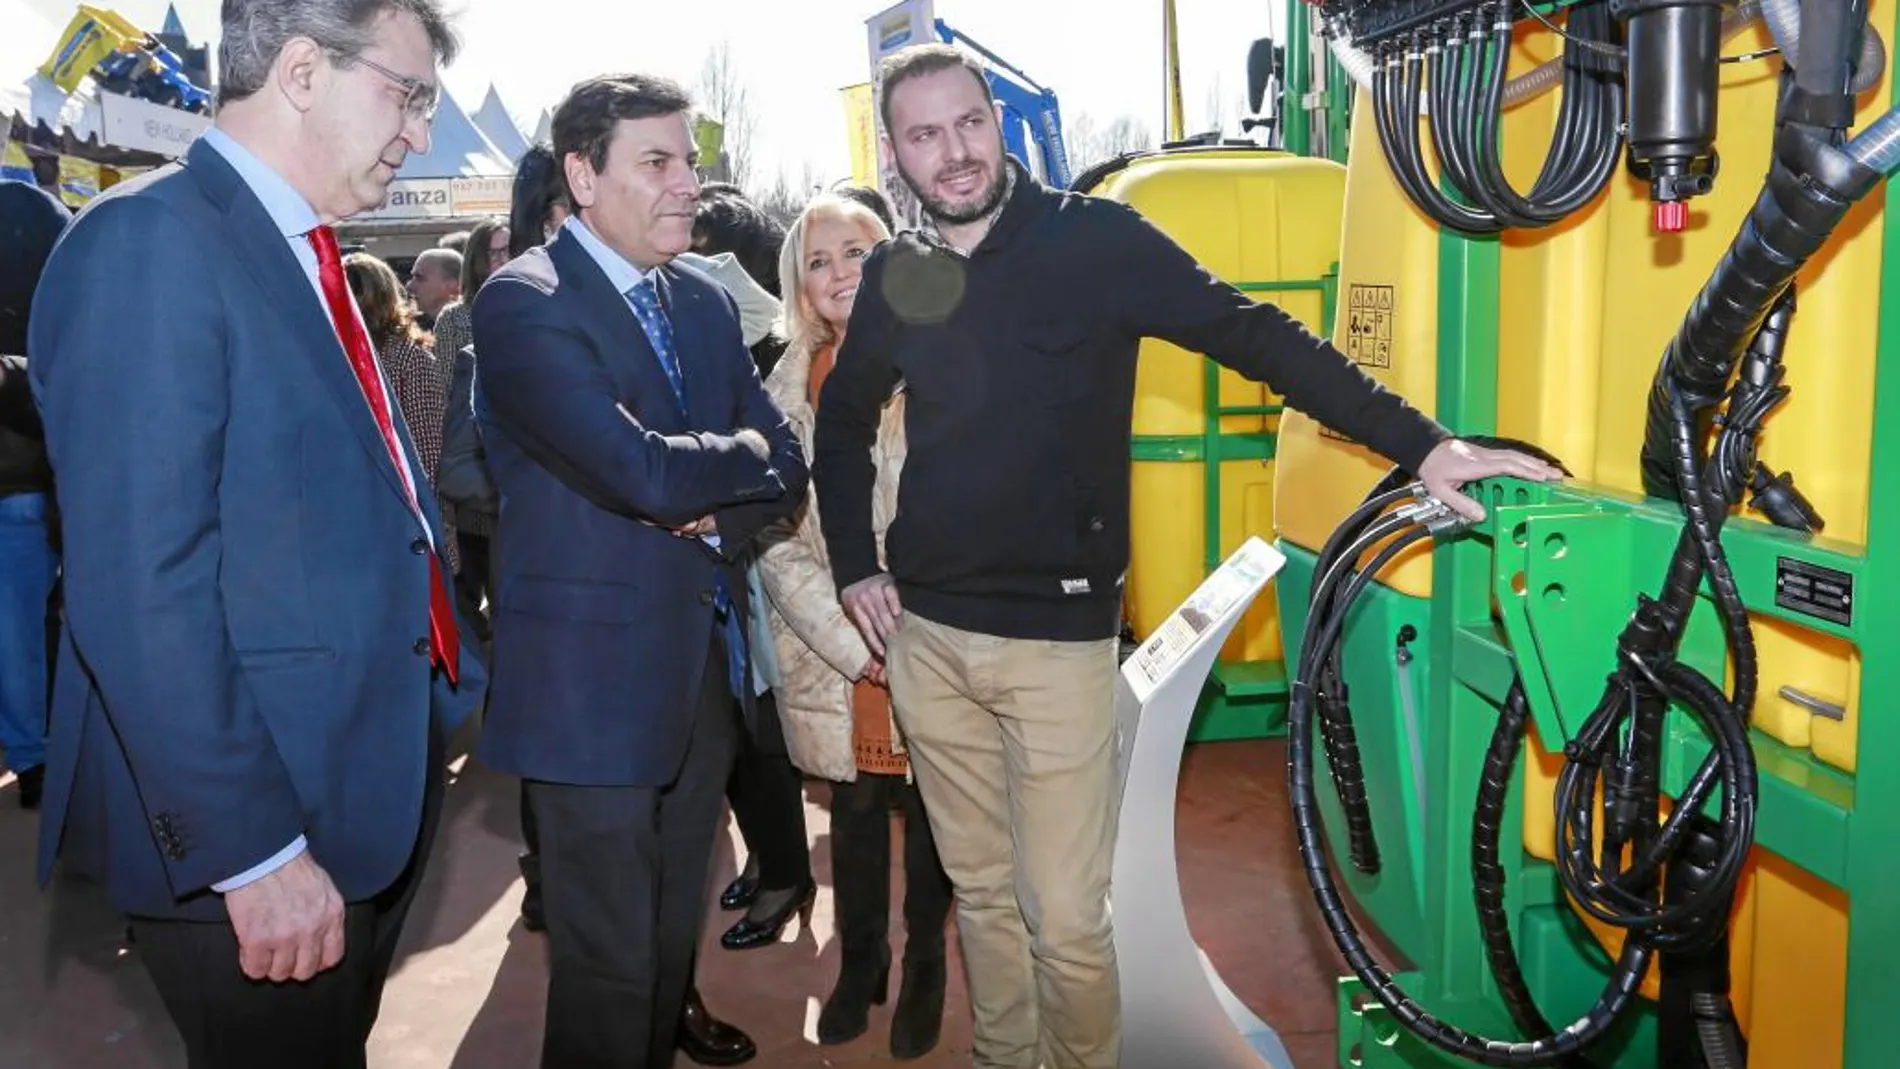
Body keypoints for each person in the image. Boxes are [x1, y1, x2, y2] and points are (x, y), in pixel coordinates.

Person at [813, 43, 1566, 1069]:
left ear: (996, 120)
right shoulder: (902, 274)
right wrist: (856, 563)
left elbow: (1257, 336)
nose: (953, 153)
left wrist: (1424, 444)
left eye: (968, 124)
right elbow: (843, 418)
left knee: (1068, 919)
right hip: (926, 637)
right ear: (894, 155)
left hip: (1055, 644)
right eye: (923, 135)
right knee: (982, 896)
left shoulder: (1098, 244)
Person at [26, 3, 485, 1067]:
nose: (419, 132)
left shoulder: (292, 250)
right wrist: (251, 850)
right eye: (407, 94)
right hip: (265, 819)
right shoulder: (148, 243)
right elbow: (140, 584)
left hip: (354, 781)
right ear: (300, 70)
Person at [471, 73, 807, 1069]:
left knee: (666, 943)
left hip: (696, 680)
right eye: (655, 162)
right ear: (581, 175)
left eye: (689, 161)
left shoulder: (701, 302)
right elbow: (644, 474)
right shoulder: (524, 301)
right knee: (608, 970)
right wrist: (733, 462)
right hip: (587, 696)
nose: (685, 184)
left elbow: (785, 461)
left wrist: (726, 471)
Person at [760, 193, 954, 1058]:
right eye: (820, 259)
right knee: (857, 804)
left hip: (938, 637)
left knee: (940, 812)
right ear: (798, 282)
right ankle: (860, 959)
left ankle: (924, 969)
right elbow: (772, 540)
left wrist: (918, 631)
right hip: (836, 648)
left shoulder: (945, 367)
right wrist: (857, 643)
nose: (841, 274)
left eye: (860, 253)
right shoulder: (776, 394)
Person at [0, 178, 68, 812]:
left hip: (19, 489)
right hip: (45, 484)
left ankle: (35, 755)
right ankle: (46, 754)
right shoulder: (57, 270)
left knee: (17, 634)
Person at [431, 216, 506, 634]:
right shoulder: (457, 319)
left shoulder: (531, 305)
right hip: (475, 471)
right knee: (475, 594)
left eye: (507, 249)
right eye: (491, 251)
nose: (500, 259)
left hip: (515, 474)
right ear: (475, 260)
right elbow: (445, 399)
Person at [406, 245, 461, 328]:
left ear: (453, 284)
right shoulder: (411, 328)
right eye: (413, 277)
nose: (409, 286)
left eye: (419, 277)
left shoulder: (472, 329)